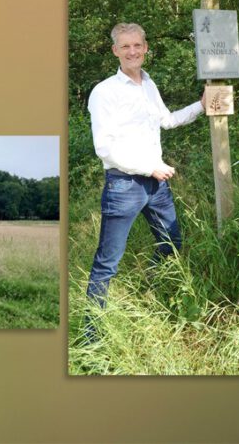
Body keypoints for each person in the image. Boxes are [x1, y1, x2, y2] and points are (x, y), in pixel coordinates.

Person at [86, 22, 206, 305]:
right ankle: (92, 334)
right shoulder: (104, 92)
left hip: (157, 185)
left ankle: (148, 290)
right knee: (107, 262)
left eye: (137, 45)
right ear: (115, 50)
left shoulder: (149, 85)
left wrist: (202, 105)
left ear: (146, 48)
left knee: (171, 243)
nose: (132, 51)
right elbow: (104, 147)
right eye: (125, 46)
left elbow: (167, 120)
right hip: (124, 185)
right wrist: (148, 167)